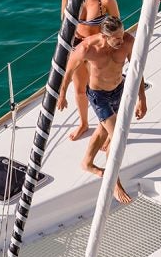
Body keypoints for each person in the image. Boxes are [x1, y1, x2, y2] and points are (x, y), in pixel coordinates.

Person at [58, 16, 147, 204]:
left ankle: (87, 163)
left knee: (102, 130)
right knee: (116, 138)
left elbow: (136, 70)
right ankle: (114, 181)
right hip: (99, 96)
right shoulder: (87, 48)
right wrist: (62, 94)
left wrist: (142, 98)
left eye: (122, 35)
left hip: (118, 89)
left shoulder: (128, 42)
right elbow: (69, 71)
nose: (121, 40)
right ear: (105, 36)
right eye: (116, 38)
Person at [59, 0, 121, 140]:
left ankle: (107, 128)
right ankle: (84, 123)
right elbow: (64, 21)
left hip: (97, 49)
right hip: (77, 48)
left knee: (102, 90)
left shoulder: (107, 0)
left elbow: (117, 27)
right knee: (79, 89)